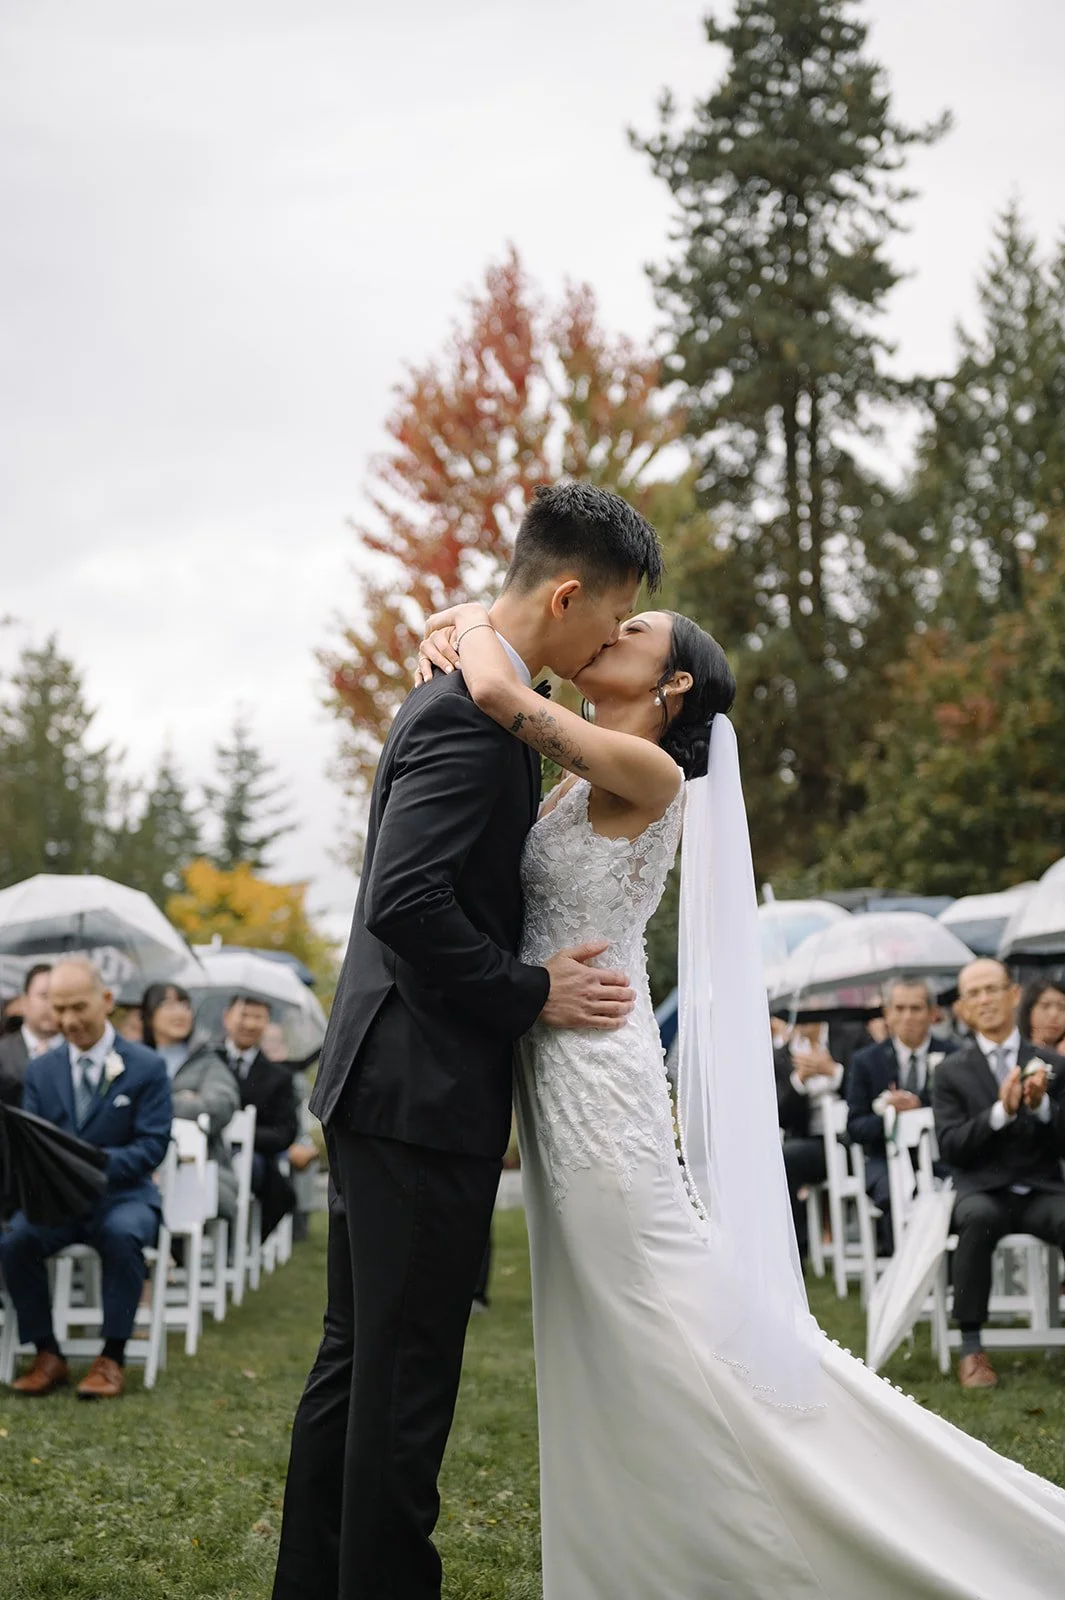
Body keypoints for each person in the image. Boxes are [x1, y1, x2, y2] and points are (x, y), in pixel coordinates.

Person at [407, 596, 1065, 1597]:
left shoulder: (652, 771)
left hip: (598, 1081)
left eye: (635, 632)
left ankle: (811, 1531)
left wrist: (463, 619)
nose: (610, 629)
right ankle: (643, 1550)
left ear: (671, 685)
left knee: (660, 1310)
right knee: (613, 1327)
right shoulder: (574, 774)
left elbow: (495, 686)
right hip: (556, 1059)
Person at [272, 483, 661, 1600]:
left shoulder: (475, 693)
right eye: (611, 616)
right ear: (571, 591)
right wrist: (528, 987)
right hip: (414, 1088)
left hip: (391, 1082)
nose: (605, 642)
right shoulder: (460, 715)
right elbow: (406, 899)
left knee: (359, 1371)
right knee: (397, 1385)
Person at [0, 958, 171, 1399]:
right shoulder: (41, 1070)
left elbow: (152, 1145)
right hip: (58, 1203)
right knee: (15, 1241)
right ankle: (48, 1354)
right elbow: (34, 1142)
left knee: (122, 1235)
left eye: (78, 1006)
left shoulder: (147, 1066)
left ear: (107, 1001)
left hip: (124, 1196)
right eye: (59, 1009)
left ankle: (111, 1358)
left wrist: (89, 1167)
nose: (68, 1021)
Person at [932, 957, 1065, 1390]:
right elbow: (950, 1146)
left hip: (1041, 1189)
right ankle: (972, 1348)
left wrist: (1041, 1107)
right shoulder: (950, 1071)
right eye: (973, 993)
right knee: (978, 1220)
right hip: (982, 1189)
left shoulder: (1051, 1062)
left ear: (1013, 995)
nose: (984, 1000)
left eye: (992, 989)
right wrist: (1000, 1112)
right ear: (963, 1008)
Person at [847, 976, 958, 1254]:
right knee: (897, 1193)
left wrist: (921, 1109)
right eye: (899, 1008)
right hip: (886, 1160)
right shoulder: (865, 1060)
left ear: (933, 1013)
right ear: (887, 1013)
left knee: (952, 1193)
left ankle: (946, 1273)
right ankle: (904, 1275)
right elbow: (855, 1127)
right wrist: (891, 1117)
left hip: (941, 1159)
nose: (907, 1016)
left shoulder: (955, 1055)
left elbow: (960, 1116)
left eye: (916, 1008)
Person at [140, 983, 239, 1221]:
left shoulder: (207, 1060)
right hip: (142, 1168)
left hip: (201, 1169)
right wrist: (183, 1100)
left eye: (184, 1005)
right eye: (168, 1004)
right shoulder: (133, 1060)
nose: (180, 1012)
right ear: (148, 1015)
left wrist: (156, 1103)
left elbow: (219, 1107)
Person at [222, 994, 297, 1238]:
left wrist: (243, 1135)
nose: (250, 1024)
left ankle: (237, 1240)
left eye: (259, 1017)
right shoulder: (206, 1060)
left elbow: (285, 1132)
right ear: (227, 1017)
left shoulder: (279, 1077)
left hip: (255, 1160)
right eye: (244, 1015)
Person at [773, 1021, 843, 1260]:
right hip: (810, 1143)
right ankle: (796, 1252)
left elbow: (867, 1085)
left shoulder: (846, 1035)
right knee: (781, 1159)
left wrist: (833, 1071)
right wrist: (799, 1080)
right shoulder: (782, 1056)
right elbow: (780, 1116)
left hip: (850, 1143)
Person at [0, 963, 57, 1108]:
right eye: (44, 996)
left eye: (57, 996)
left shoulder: (77, 1052)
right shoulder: (3, 1053)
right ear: (24, 1000)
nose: (52, 1004)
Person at [1019, 975, 1065, 1053]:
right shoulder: (1013, 1051)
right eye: (1045, 1006)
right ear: (1029, 1010)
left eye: (1062, 1007)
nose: (1054, 1015)